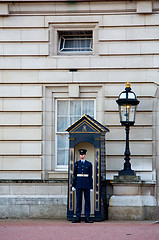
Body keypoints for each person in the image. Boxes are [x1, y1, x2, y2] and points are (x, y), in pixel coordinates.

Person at [72, 149, 93, 223]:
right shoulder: (76, 164)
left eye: (83, 154)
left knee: (87, 201)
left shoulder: (89, 164)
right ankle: (78, 217)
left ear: (85, 155)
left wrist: (91, 186)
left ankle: (87, 217)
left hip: (86, 184)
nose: (82, 156)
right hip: (79, 184)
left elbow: (90, 176)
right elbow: (74, 175)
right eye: (81, 154)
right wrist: (73, 185)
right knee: (79, 201)